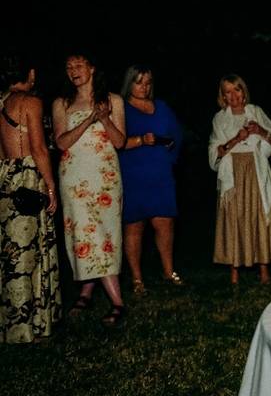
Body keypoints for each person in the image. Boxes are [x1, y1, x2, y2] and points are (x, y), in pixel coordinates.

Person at [52, 52, 126, 326]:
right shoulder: (62, 103)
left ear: (92, 68)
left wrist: (104, 118)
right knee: (85, 234)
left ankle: (88, 292)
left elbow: (119, 141)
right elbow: (61, 143)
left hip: (105, 176)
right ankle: (116, 302)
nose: (74, 70)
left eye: (79, 65)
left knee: (105, 233)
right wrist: (88, 119)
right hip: (75, 178)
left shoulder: (114, 100)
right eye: (69, 67)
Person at [0, 55, 61, 343]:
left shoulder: (0, 102)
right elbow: (38, 147)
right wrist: (50, 186)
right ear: (31, 74)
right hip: (26, 177)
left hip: (4, 178)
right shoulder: (31, 102)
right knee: (26, 253)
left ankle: (8, 322)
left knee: (7, 252)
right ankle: (25, 329)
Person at [118, 65, 184, 295]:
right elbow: (115, 141)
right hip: (133, 172)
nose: (144, 87)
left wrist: (170, 158)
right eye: (138, 82)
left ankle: (169, 270)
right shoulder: (121, 108)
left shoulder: (162, 106)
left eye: (147, 82)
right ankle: (137, 279)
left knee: (164, 223)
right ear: (129, 83)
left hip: (160, 172)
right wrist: (140, 141)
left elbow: (177, 135)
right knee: (134, 225)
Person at [208, 74, 271, 285]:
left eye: (236, 89)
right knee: (234, 217)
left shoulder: (255, 111)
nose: (233, 95)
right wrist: (236, 139)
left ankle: (263, 267)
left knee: (257, 213)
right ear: (223, 96)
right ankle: (234, 270)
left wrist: (260, 131)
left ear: (243, 91)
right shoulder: (219, 118)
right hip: (233, 172)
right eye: (228, 91)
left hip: (256, 170)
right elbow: (216, 152)